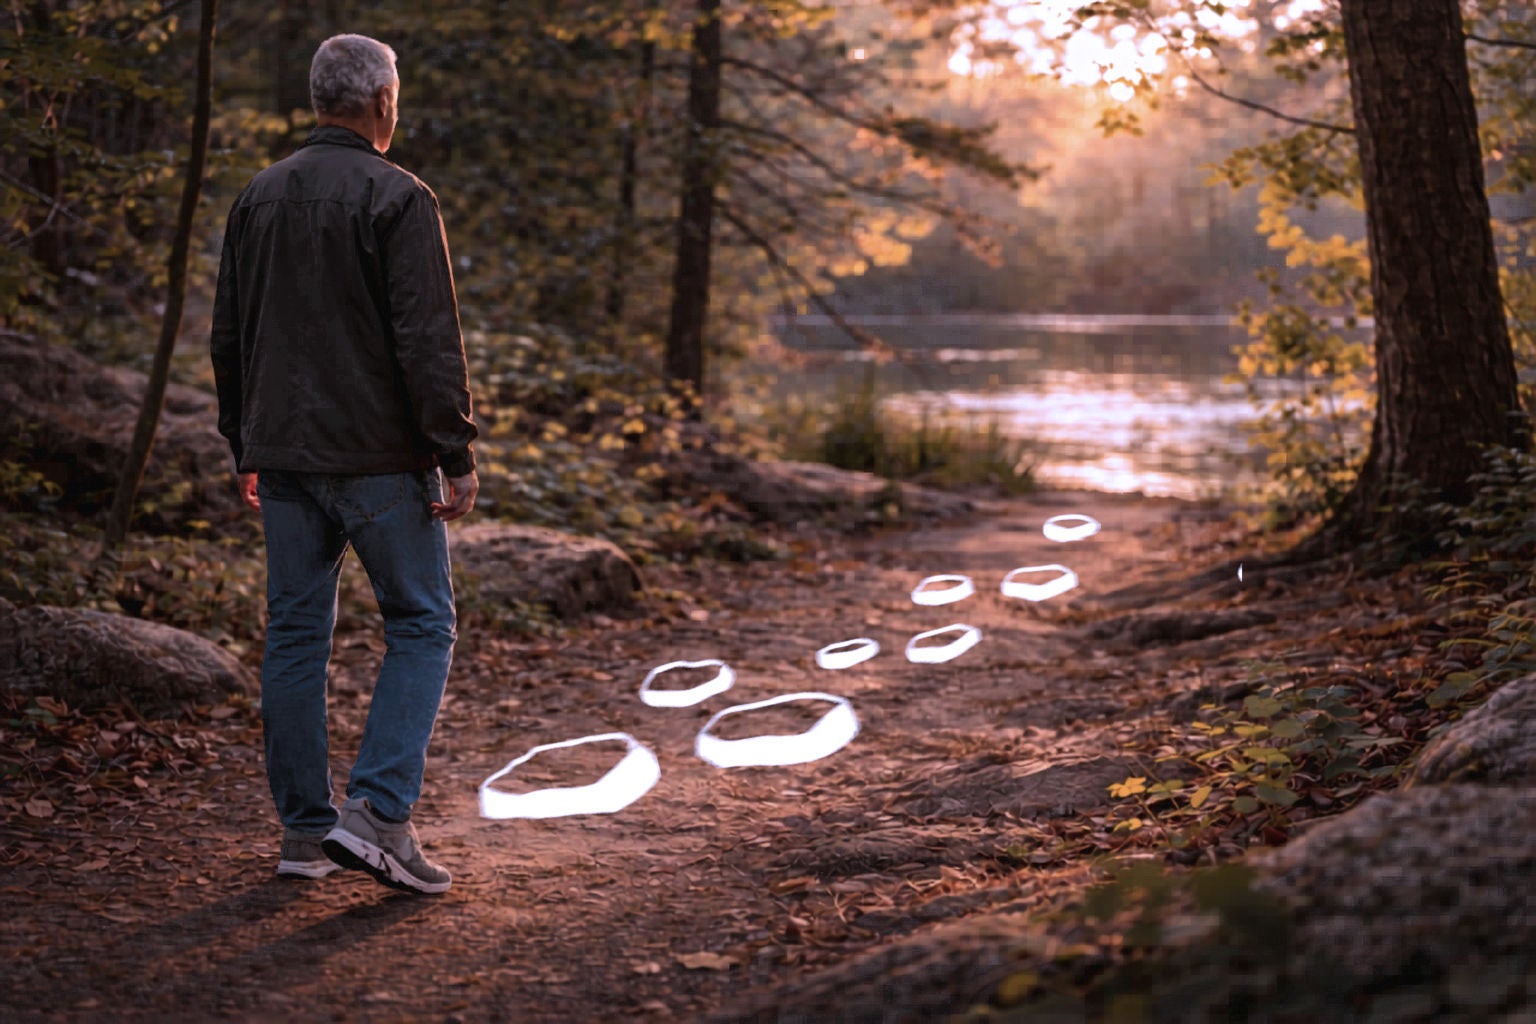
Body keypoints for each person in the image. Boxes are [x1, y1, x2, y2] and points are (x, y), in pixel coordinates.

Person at [210, 33, 478, 895]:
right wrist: (453, 449)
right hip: (375, 460)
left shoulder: (259, 195)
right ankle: (379, 816)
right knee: (423, 624)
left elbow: (229, 335)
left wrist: (241, 440)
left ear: (321, 100)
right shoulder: (398, 196)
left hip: (282, 456)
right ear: (380, 104)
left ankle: (303, 832)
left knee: (295, 637)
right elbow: (426, 336)